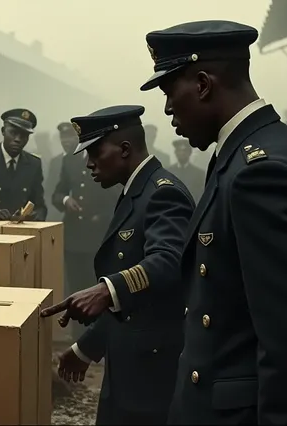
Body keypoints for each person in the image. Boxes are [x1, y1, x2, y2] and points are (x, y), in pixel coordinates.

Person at [44, 20, 287, 425]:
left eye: (172, 92)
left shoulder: (262, 171)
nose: (169, 109)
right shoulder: (244, 157)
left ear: (204, 84)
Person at [45, 106, 194, 424]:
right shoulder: (135, 193)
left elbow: (168, 261)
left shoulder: (162, 194)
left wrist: (105, 289)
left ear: (124, 149)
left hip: (150, 373)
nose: (89, 164)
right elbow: (134, 303)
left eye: (96, 152)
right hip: (130, 361)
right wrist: (87, 347)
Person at [51, 121, 117, 341]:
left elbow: (115, 193)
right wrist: (66, 199)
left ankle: (97, 337)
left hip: (98, 235)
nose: (69, 142)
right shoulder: (67, 161)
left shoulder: (102, 156)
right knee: (76, 285)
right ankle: (78, 337)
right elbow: (57, 193)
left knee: (96, 286)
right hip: (74, 236)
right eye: (65, 138)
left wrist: (102, 216)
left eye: (72, 137)